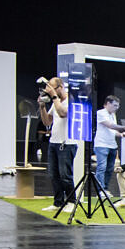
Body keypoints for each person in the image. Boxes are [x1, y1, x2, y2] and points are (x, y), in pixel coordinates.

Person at [39, 76, 75, 213]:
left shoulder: (71, 100)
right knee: (54, 175)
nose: (50, 92)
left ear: (60, 87)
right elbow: (47, 122)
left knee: (65, 175)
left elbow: (62, 113)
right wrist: (42, 106)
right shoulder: (56, 102)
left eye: (52, 89)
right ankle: (58, 202)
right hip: (54, 142)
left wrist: (54, 97)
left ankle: (71, 201)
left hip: (67, 143)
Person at [93, 95, 125, 196]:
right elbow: (110, 125)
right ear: (108, 103)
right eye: (115, 105)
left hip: (112, 145)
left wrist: (120, 134)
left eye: (118, 106)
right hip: (101, 144)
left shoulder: (113, 115)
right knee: (102, 167)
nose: (116, 108)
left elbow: (112, 131)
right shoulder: (101, 113)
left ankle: (105, 188)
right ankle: (100, 189)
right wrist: (124, 128)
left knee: (109, 169)